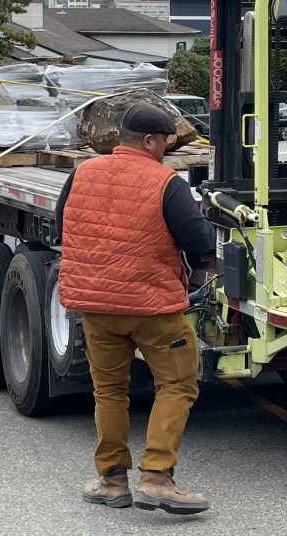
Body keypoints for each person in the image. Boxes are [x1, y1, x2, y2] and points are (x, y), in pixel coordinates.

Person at [55, 102, 216, 515]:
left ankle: (111, 482)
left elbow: (62, 227)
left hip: (97, 308)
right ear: (148, 140)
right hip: (153, 309)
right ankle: (157, 478)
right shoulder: (166, 182)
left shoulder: (82, 173)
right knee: (177, 385)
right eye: (164, 142)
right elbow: (200, 241)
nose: (165, 150)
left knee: (109, 391)